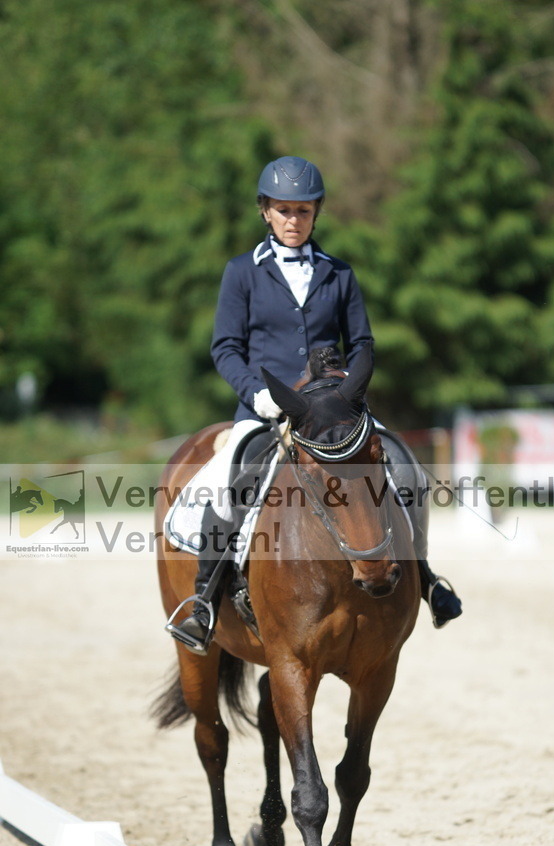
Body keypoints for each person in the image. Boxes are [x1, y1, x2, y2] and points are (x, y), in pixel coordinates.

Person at [168, 156, 461, 653]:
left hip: (334, 408)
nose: (293, 220)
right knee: (226, 482)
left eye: (302, 211)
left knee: (403, 470)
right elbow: (225, 348)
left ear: (315, 213)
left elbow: (363, 342)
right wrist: (256, 395)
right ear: (265, 211)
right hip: (267, 408)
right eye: (283, 210)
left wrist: (351, 388)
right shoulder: (241, 272)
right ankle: (204, 602)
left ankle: (426, 577)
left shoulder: (338, 273)